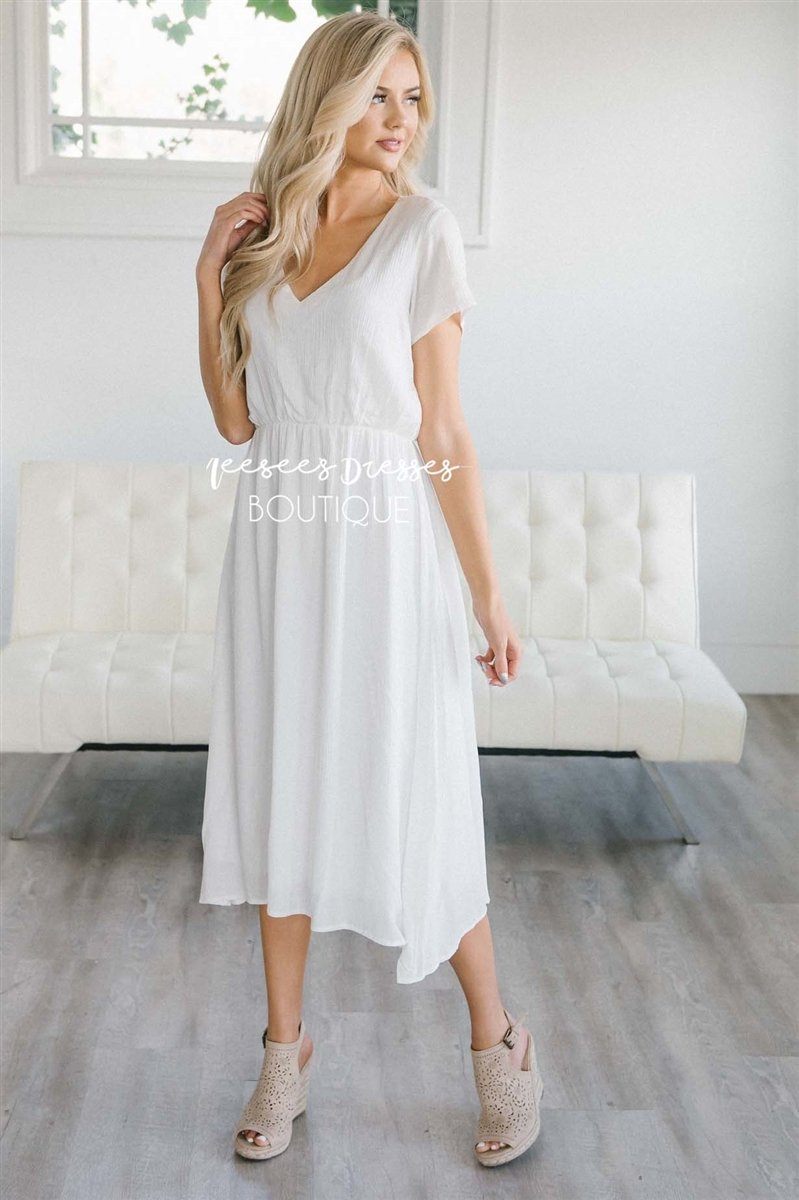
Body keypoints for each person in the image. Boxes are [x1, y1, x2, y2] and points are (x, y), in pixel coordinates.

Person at [195, 11, 544, 1169]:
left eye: (413, 99)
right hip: (279, 548)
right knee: (282, 791)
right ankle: (283, 1049)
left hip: (386, 548)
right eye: (378, 96)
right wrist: (206, 277)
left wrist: (488, 595)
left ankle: (498, 1044)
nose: (400, 120)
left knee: (415, 793)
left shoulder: (422, 232)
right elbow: (237, 421)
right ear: (329, 99)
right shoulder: (268, 233)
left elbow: (442, 430)